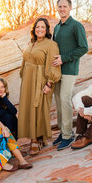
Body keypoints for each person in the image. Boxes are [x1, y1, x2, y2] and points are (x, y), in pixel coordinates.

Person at [18, 17, 61, 155]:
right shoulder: (31, 43)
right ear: (34, 29)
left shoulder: (51, 44)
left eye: (43, 27)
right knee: (29, 109)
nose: (40, 29)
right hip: (28, 81)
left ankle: (35, 140)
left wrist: (49, 83)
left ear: (47, 30)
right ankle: (40, 138)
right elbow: (25, 62)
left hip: (41, 80)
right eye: (37, 27)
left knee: (38, 109)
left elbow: (53, 65)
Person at [52, 0, 89, 151]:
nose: (62, 9)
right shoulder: (57, 27)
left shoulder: (76, 26)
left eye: (65, 6)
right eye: (59, 6)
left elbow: (83, 48)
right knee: (59, 102)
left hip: (69, 69)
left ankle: (68, 136)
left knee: (65, 100)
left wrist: (64, 58)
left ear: (70, 8)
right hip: (56, 70)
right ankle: (63, 131)